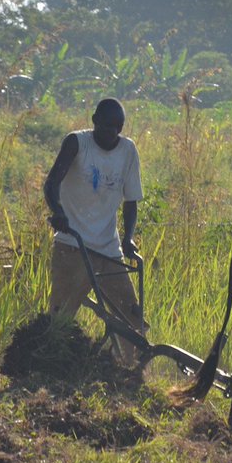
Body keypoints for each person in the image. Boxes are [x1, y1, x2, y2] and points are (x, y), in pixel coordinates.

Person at [43, 97, 146, 361]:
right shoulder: (77, 143)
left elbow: (131, 201)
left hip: (108, 248)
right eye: (106, 125)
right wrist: (58, 212)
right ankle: (52, 363)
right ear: (94, 121)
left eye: (117, 127)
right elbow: (52, 183)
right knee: (61, 315)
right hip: (73, 243)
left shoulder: (127, 150)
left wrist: (128, 238)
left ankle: (129, 367)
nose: (111, 131)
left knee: (130, 314)